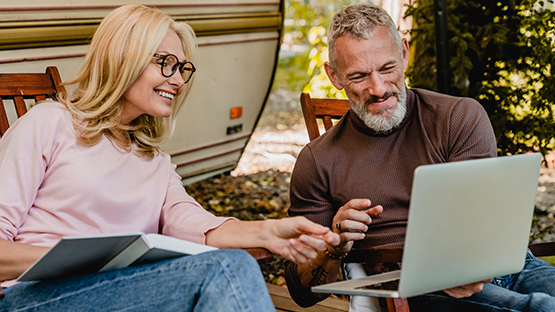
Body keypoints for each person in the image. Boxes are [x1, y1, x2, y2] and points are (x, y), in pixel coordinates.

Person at [0, 5, 341, 311]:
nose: (177, 80)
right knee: (224, 269)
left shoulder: (154, 161)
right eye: (165, 63)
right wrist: (85, 261)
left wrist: (268, 232)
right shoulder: (50, 124)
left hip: (116, 294)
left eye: (181, 68)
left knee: (233, 262)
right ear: (123, 58)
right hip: (34, 297)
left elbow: (192, 224)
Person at [284, 3, 555, 312]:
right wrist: (333, 246)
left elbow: (479, 225)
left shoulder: (458, 117)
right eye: (359, 76)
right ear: (334, 76)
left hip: (507, 266)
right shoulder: (318, 161)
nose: (378, 89)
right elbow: (302, 292)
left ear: (404, 52)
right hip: (415, 284)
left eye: (387, 68)